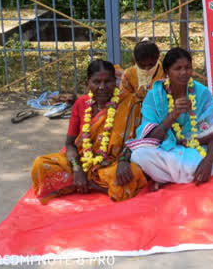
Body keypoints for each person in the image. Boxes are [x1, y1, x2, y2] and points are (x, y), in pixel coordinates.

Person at [30, 60, 147, 203]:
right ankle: (88, 183)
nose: (102, 87)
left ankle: (89, 186)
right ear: (87, 84)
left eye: (108, 81)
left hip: (111, 165)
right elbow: (70, 143)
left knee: (133, 174)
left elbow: (137, 141)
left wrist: (124, 161)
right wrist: (77, 169)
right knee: (40, 165)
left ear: (115, 82)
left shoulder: (129, 103)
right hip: (82, 160)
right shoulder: (81, 104)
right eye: (96, 82)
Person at [128, 48, 213, 189]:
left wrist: (208, 162)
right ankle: (193, 174)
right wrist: (173, 115)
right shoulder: (154, 96)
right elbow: (150, 138)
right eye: (178, 68)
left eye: (188, 68)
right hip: (167, 150)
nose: (184, 73)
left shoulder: (202, 93)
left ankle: (169, 177)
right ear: (167, 72)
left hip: (199, 148)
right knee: (140, 155)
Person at [119, 39, 165, 123]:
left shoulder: (165, 72)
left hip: (160, 111)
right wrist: (137, 97)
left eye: (151, 64)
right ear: (135, 61)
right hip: (134, 112)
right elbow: (124, 97)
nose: (147, 68)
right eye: (142, 65)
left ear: (158, 58)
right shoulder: (128, 74)